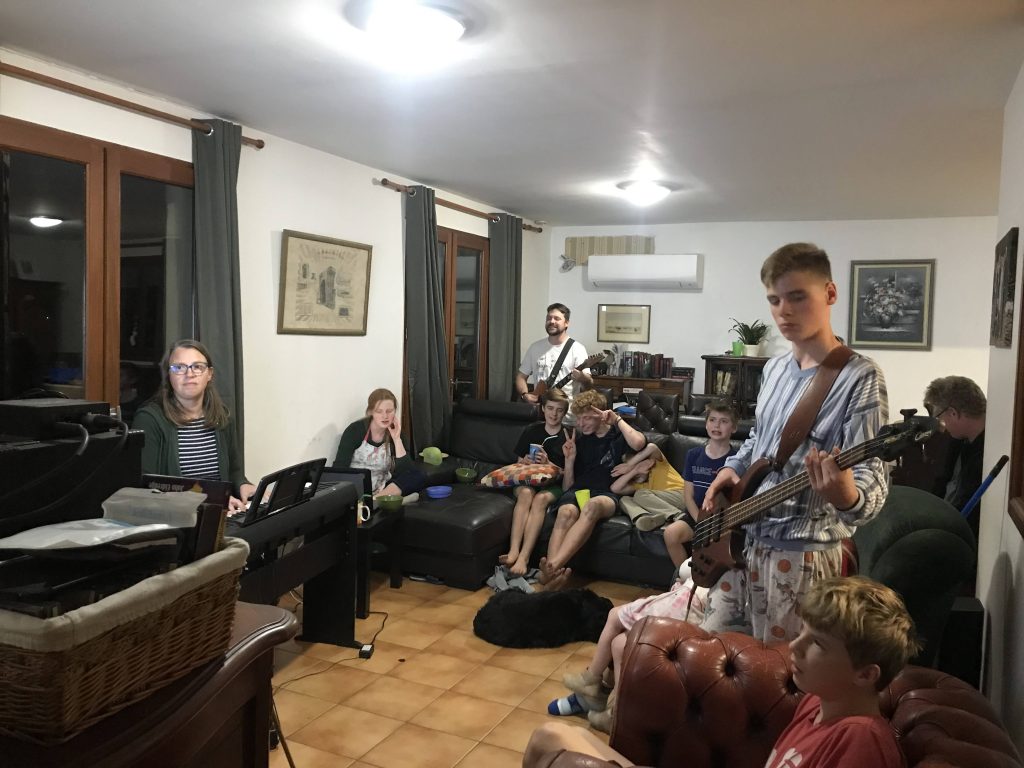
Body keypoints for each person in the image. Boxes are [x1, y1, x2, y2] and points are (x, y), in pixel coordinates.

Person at [523, 575, 917, 768]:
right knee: (551, 735)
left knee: (553, 742)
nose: (794, 647)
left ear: (866, 675)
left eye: (817, 644)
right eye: (803, 633)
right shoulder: (818, 702)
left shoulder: (862, 741)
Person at [700, 242, 889, 643]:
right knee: (711, 653)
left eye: (798, 297)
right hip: (743, 540)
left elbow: (872, 477)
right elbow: (758, 438)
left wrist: (846, 496)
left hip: (801, 556)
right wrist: (732, 469)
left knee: (784, 670)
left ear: (830, 293)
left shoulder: (860, 377)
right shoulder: (773, 370)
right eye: (775, 300)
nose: (784, 311)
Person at [548, 561, 709, 733]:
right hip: (681, 600)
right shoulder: (713, 561)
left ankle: (595, 687)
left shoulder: (723, 576)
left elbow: (687, 571)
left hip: (686, 612)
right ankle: (610, 705)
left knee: (615, 618)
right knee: (619, 644)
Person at [540, 389, 647, 587]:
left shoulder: (618, 435)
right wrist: (569, 460)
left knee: (591, 506)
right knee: (565, 511)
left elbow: (640, 443)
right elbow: (567, 488)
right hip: (578, 491)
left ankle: (551, 568)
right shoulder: (578, 440)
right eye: (579, 419)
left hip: (607, 494)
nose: (581, 424)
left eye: (587, 418)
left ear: (601, 414)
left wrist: (617, 420)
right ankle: (554, 576)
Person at [133, 339, 254, 512]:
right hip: (174, 517)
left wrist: (243, 485)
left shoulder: (223, 417)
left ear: (209, 374)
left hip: (220, 513)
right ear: (168, 375)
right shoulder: (149, 419)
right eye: (179, 367)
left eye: (197, 367)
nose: (189, 374)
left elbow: (235, 472)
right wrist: (211, 500)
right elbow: (147, 486)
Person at [500, 388, 571, 577]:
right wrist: (525, 461)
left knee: (540, 500)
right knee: (525, 494)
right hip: (528, 481)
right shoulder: (531, 430)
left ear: (565, 412)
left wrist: (549, 464)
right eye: (550, 408)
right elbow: (518, 464)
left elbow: (568, 474)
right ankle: (513, 551)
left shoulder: (569, 435)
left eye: (559, 410)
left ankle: (524, 557)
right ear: (543, 409)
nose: (554, 414)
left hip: (553, 485)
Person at [661, 400, 740, 569]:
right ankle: (684, 576)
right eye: (712, 420)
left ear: (734, 428)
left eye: (724, 421)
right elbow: (688, 495)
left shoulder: (737, 461)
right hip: (695, 515)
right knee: (670, 534)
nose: (716, 425)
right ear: (706, 424)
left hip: (722, 519)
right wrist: (700, 521)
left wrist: (714, 525)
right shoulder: (693, 455)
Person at [923, 376, 986, 538]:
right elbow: (942, 481)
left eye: (939, 417)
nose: (941, 425)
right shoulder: (959, 440)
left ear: (953, 413)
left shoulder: (987, 454)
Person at [334, 388, 425, 499]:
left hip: (382, 489)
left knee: (417, 476)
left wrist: (397, 439)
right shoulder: (355, 430)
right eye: (379, 411)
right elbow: (339, 468)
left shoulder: (396, 432)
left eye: (389, 411)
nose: (385, 416)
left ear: (395, 411)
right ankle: (386, 500)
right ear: (371, 412)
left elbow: (407, 471)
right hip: (356, 488)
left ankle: (375, 500)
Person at [515, 303, 593, 404]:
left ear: (566, 323)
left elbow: (589, 383)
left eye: (557, 318)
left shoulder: (578, 349)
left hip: (567, 411)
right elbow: (521, 377)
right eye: (549, 318)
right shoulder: (535, 347)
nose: (551, 321)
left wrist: (583, 378)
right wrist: (525, 395)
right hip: (539, 409)